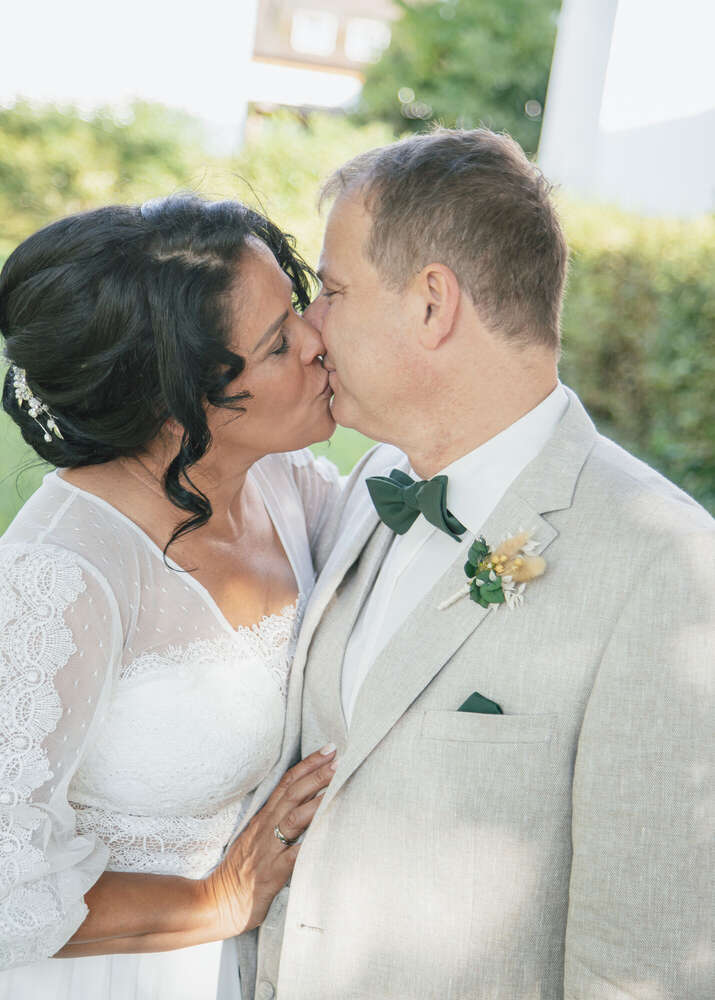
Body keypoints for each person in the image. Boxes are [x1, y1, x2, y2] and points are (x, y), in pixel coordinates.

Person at [247, 129, 714, 999]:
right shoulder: (375, 478)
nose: (309, 330)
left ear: (432, 304)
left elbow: (645, 961)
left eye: (333, 291)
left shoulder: (663, 566)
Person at [0, 195, 342, 1000]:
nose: (316, 342)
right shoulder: (60, 576)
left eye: (298, 311)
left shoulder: (290, 490)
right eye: (276, 343)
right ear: (174, 401)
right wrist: (219, 899)